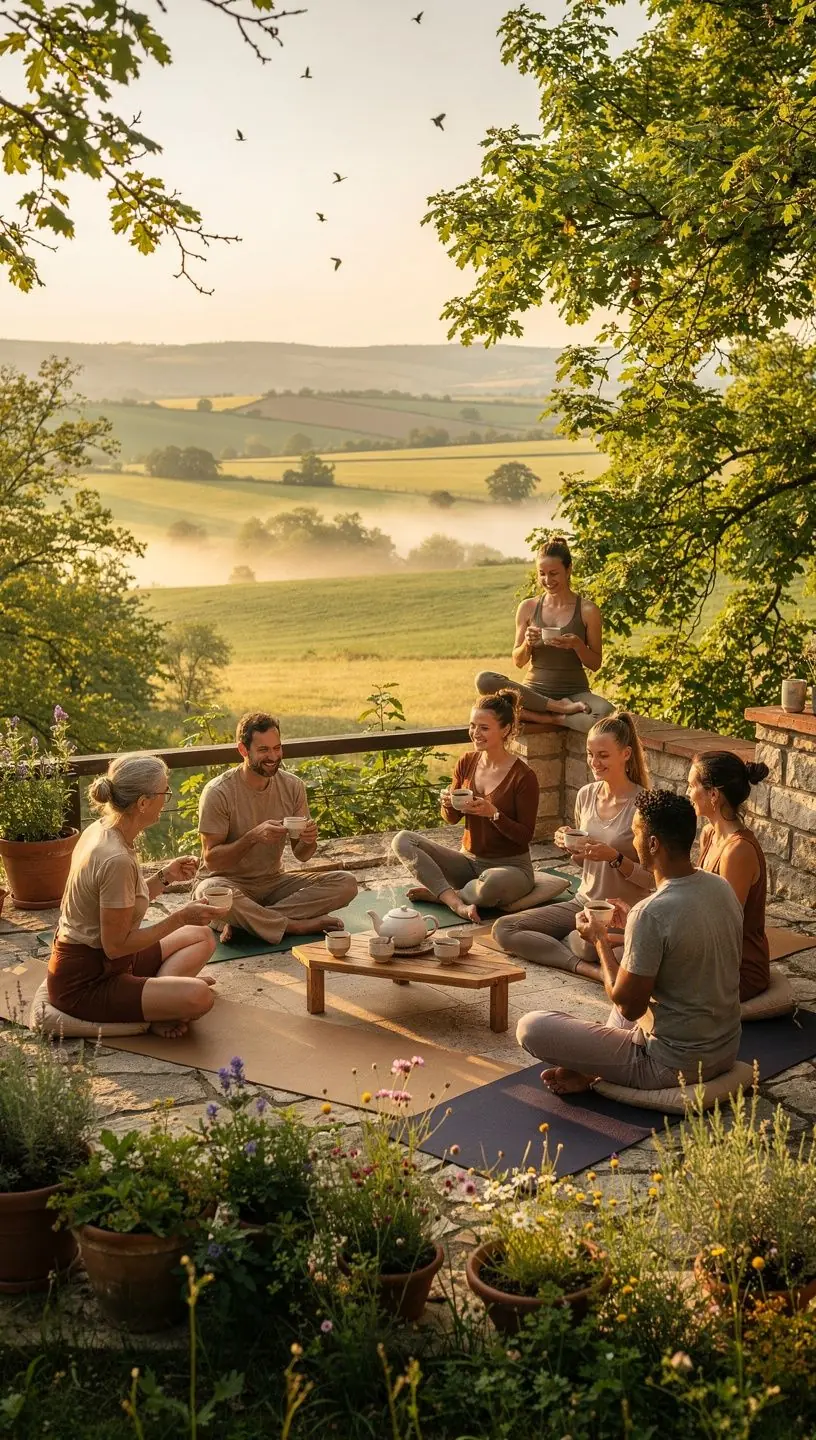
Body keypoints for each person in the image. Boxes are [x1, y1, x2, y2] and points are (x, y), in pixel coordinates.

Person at [516, 790, 743, 1094]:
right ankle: (593, 1069)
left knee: (531, 1027)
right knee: (630, 983)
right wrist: (633, 930)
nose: (633, 842)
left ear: (653, 843)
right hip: (725, 1051)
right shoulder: (720, 887)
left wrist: (600, 940)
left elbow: (628, 1005)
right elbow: (681, 945)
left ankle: (596, 1067)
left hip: (671, 1064)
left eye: (636, 833)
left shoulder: (650, 913)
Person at [48, 754, 217, 1039]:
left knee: (201, 935)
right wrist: (178, 918)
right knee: (200, 996)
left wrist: (165, 876)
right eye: (165, 791)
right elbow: (115, 946)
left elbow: (121, 903)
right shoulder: (116, 859)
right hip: (87, 979)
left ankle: (158, 999)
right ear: (142, 802)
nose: (167, 798)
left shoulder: (102, 829)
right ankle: (160, 1006)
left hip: (114, 961)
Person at [493, 712, 652, 977]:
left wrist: (615, 857)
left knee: (589, 947)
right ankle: (586, 968)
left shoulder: (644, 805)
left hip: (621, 913)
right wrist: (571, 848)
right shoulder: (586, 795)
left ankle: (572, 945)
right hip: (584, 902)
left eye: (603, 755)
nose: (594, 762)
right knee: (503, 929)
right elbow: (582, 862)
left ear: (625, 754)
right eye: (590, 754)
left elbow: (652, 880)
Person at [195, 711, 357, 943]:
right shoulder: (218, 792)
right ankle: (294, 926)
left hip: (273, 883)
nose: (273, 756)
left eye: (277, 748)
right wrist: (252, 837)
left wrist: (309, 841)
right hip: (229, 883)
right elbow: (211, 860)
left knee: (346, 883)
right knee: (208, 892)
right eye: (264, 750)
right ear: (243, 750)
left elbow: (302, 855)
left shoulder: (293, 786)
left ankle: (246, 924)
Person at [391, 690, 539, 923]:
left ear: (506, 730)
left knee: (491, 883)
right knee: (402, 840)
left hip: (510, 869)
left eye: (484, 727)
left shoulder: (523, 776)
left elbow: (524, 836)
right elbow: (450, 819)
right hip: (468, 862)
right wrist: (448, 804)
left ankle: (444, 894)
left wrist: (494, 814)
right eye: (472, 726)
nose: (475, 733)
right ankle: (456, 902)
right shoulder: (467, 761)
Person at [475, 535, 614, 732]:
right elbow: (519, 661)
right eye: (542, 574)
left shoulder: (588, 610)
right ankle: (555, 712)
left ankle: (545, 717)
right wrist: (527, 643)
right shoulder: (528, 607)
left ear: (569, 570)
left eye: (554, 573)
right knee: (484, 680)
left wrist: (577, 645)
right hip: (535, 692)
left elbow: (595, 663)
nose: (547, 580)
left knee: (607, 714)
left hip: (575, 692)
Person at [687, 750, 771, 1001]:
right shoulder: (709, 835)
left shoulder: (738, 851)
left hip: (738, 968)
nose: (688, 792)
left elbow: (725, 927)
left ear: (713, 795)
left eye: (692, 785)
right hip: (709, 955)